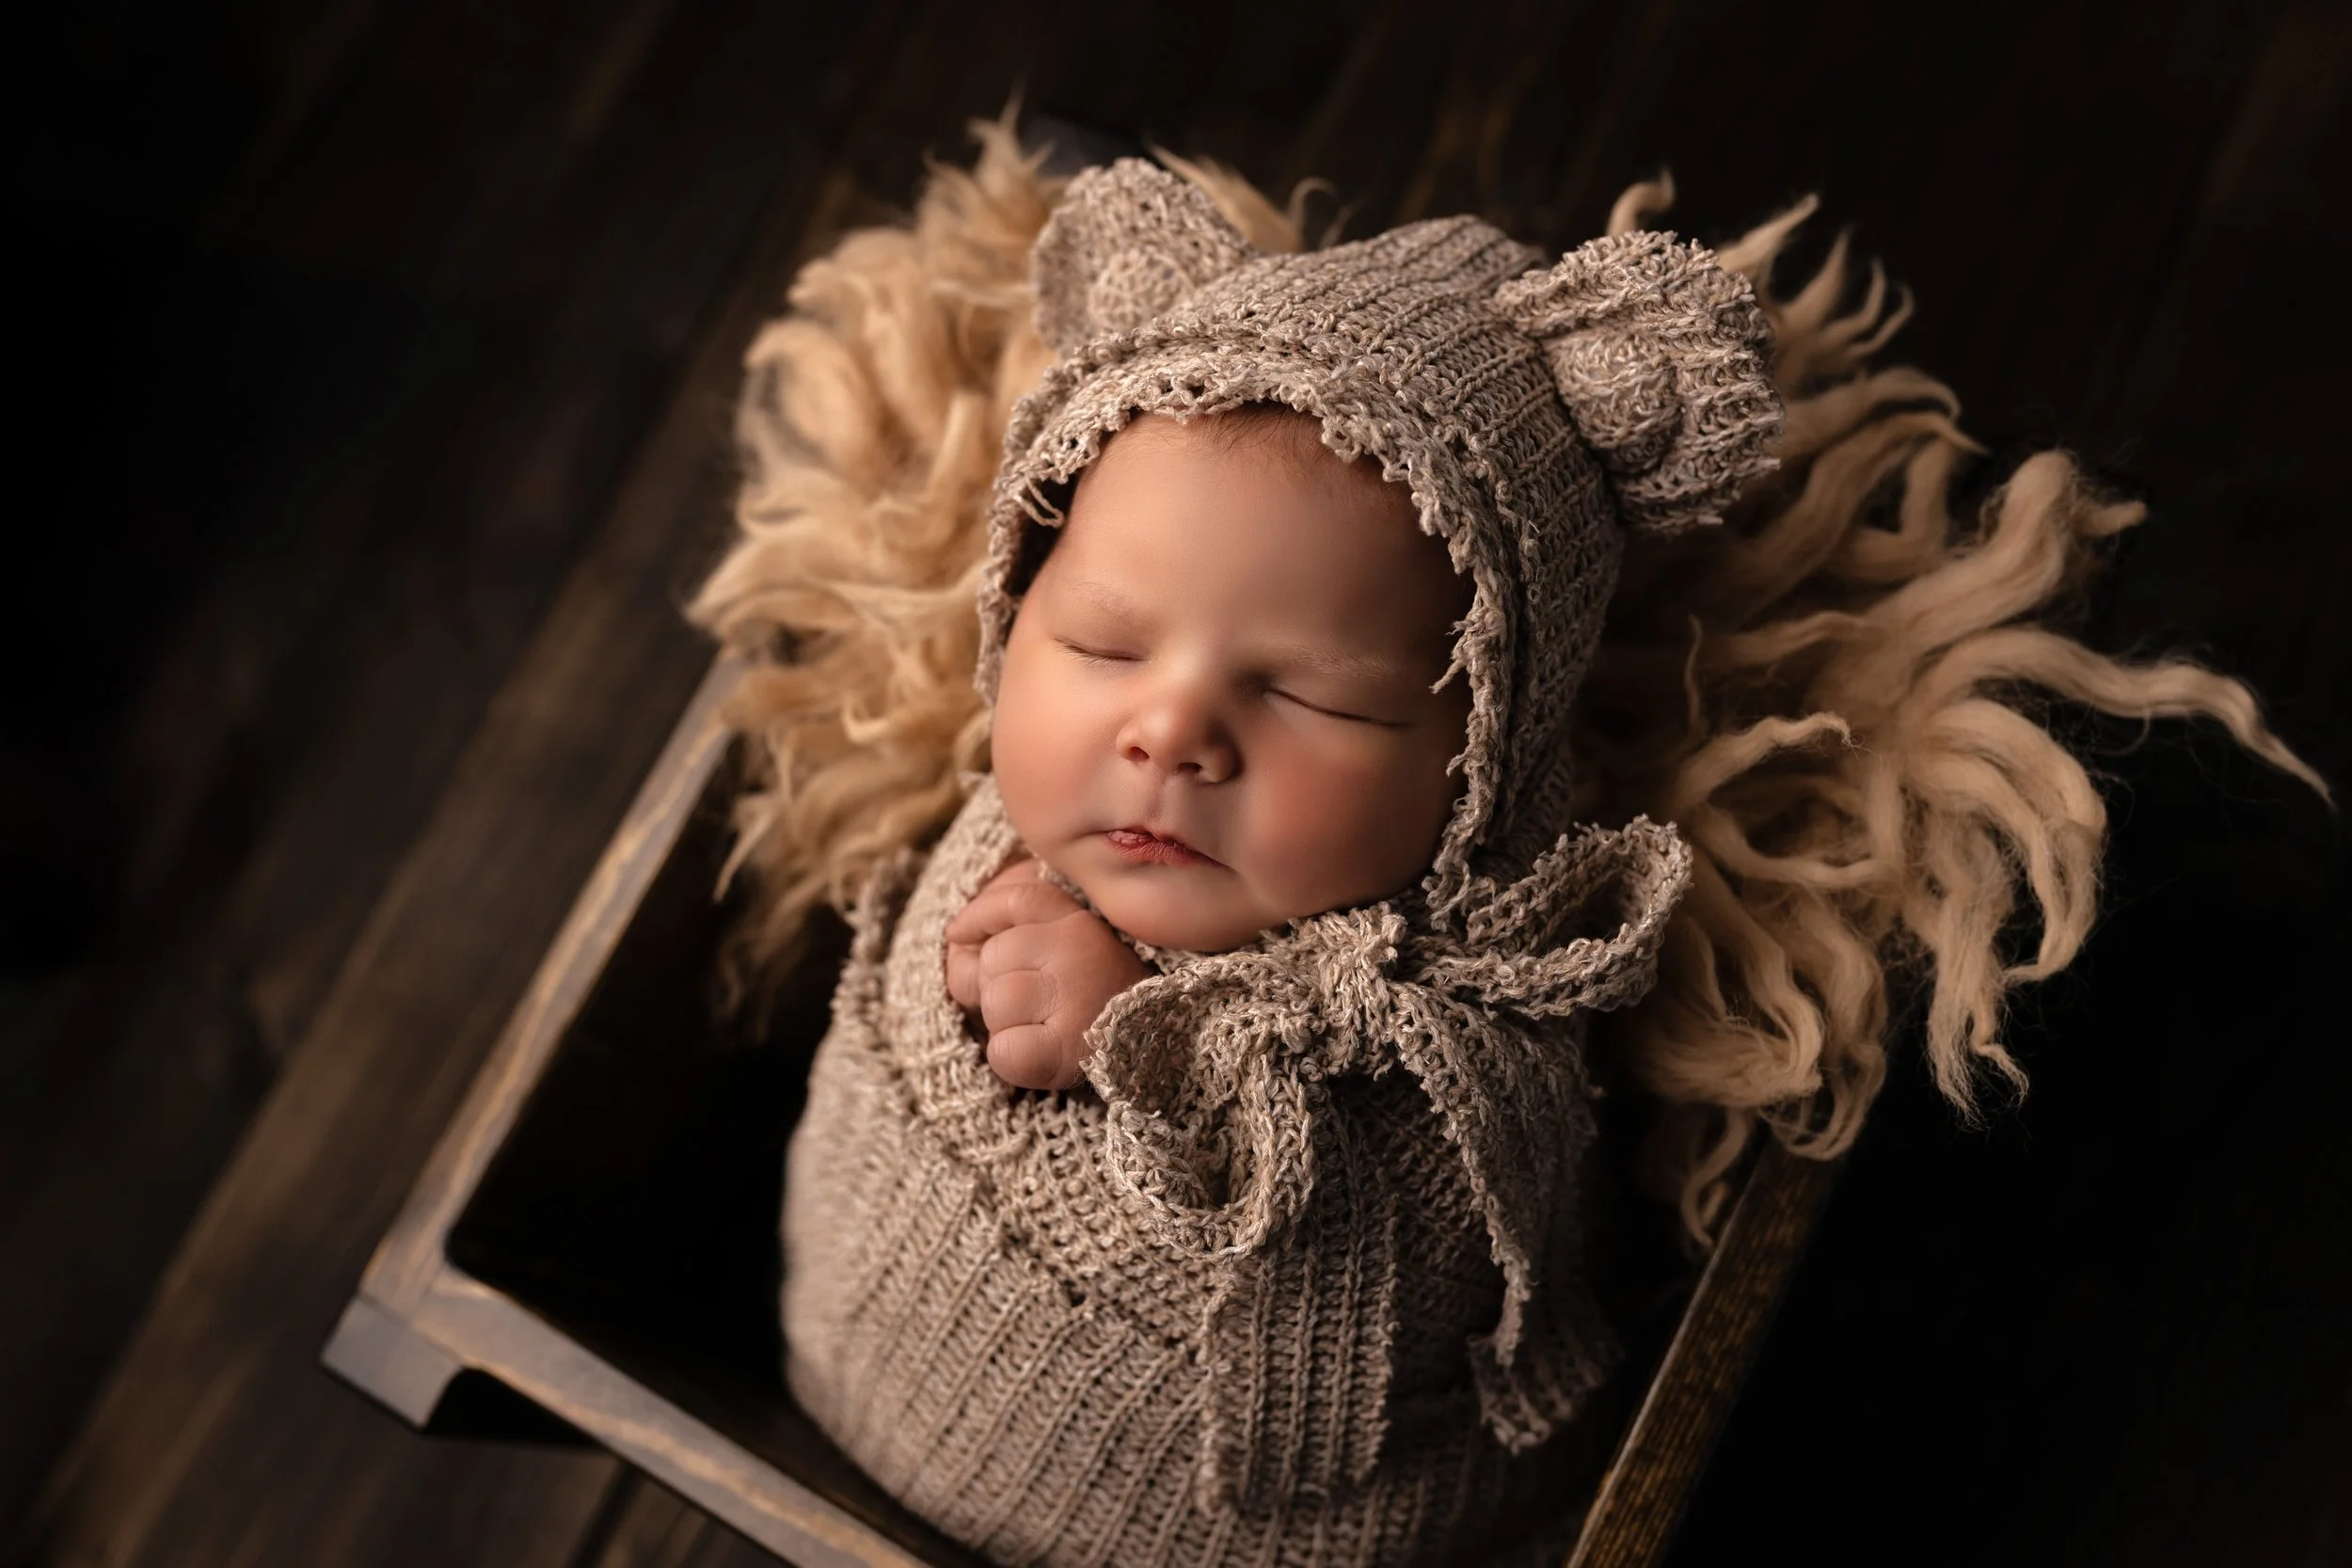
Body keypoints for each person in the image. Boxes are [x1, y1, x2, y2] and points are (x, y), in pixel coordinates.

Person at [689, 127, 2321, 1568]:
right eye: (1105, 646)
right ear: (1009, 612)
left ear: (1479, 751)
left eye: (1305, 694)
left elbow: (1426, 1239)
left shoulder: (1482, 1004)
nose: (1170, 729)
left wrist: (1140, 1024)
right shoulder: (1012, 818)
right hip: (815, 1370)